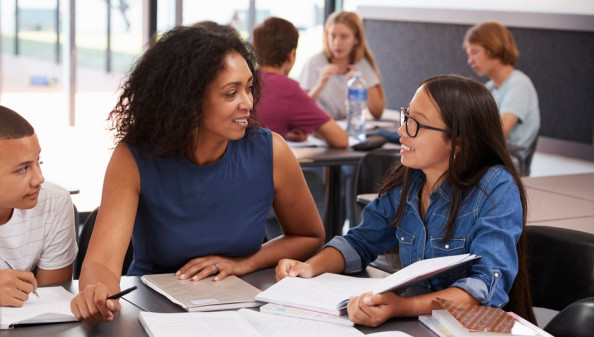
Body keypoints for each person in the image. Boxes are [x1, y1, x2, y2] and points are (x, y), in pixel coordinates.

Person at [70, 24, 325, 324]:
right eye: (231, 93)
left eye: (248, 87)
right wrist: (96, 293)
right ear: (188, 101)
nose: (248, 102)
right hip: (153, 314)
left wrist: (243, 263)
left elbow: (309, 235)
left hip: (245, 313)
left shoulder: (271, 151)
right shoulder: (133, 158)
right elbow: (101, 263)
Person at [276, 74, 535, 327]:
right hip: (418, 325)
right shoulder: (411, 180)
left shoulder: (495, 188)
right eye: (406, 116)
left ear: (458, 141)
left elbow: (484, 288)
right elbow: (359, 242)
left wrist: (401, 307)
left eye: (415, 124)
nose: (401, 131)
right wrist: (308, 268)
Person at [0, 105, 78, 307]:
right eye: (23, 169)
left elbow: (49, 305)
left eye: (38, 161)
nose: (39, 179)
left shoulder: (54, 202)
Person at [253, 17, 348, 148]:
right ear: (291, 55)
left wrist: (284, 133)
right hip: (264, 167)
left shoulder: (246, 80)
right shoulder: (288, 89)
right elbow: (341, 140)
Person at [463, 20, 540, 174]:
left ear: (492, 48)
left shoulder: (519, 84)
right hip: (489, 160)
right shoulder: (490, 88)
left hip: (505, 165)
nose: (470, 61)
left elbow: (497, 133)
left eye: (475, 52)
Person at [299, 10, 385, 120]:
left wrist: (363, 85)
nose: (337, 43)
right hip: (320, 128)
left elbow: (378, 112)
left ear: (356, 39)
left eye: (344, 37)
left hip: (348, 127)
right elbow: (300, 109)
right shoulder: (314, 63)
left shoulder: (361, 64)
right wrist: (320, 85)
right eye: (332, 36)